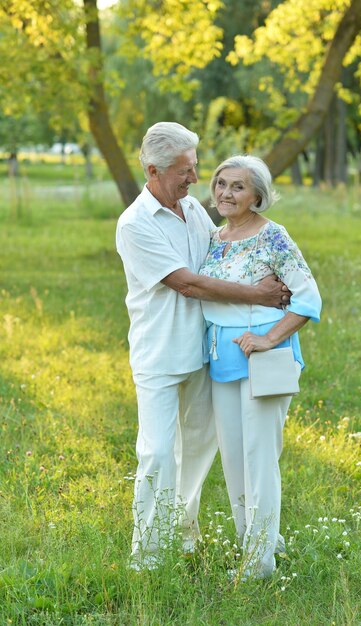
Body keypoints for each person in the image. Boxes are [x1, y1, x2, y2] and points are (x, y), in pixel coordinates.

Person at [115, 123, 290, 571]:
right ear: (153, 170)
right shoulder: (135, 224)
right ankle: (148, 555)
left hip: (204, 352)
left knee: (196, 450)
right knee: (156, 451)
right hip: (159, 353)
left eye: (195, 168)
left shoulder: (192, 208)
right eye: (184, 170)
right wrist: (259, 294)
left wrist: (270, 261)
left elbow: (226, 258)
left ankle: (183, 531)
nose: (195, 179)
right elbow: (188, 283)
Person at [199, 155, 322, 579]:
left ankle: (258, 564)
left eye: (237, 187)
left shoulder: (274, 238)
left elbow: (308, 298)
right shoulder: (214, 237)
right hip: (221, 358)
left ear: (257, 196)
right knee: (234, 458)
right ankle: (257, 541)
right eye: (220, 183)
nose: (225, 193)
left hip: (265, 358)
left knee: (259, 457)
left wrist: (269, 339)